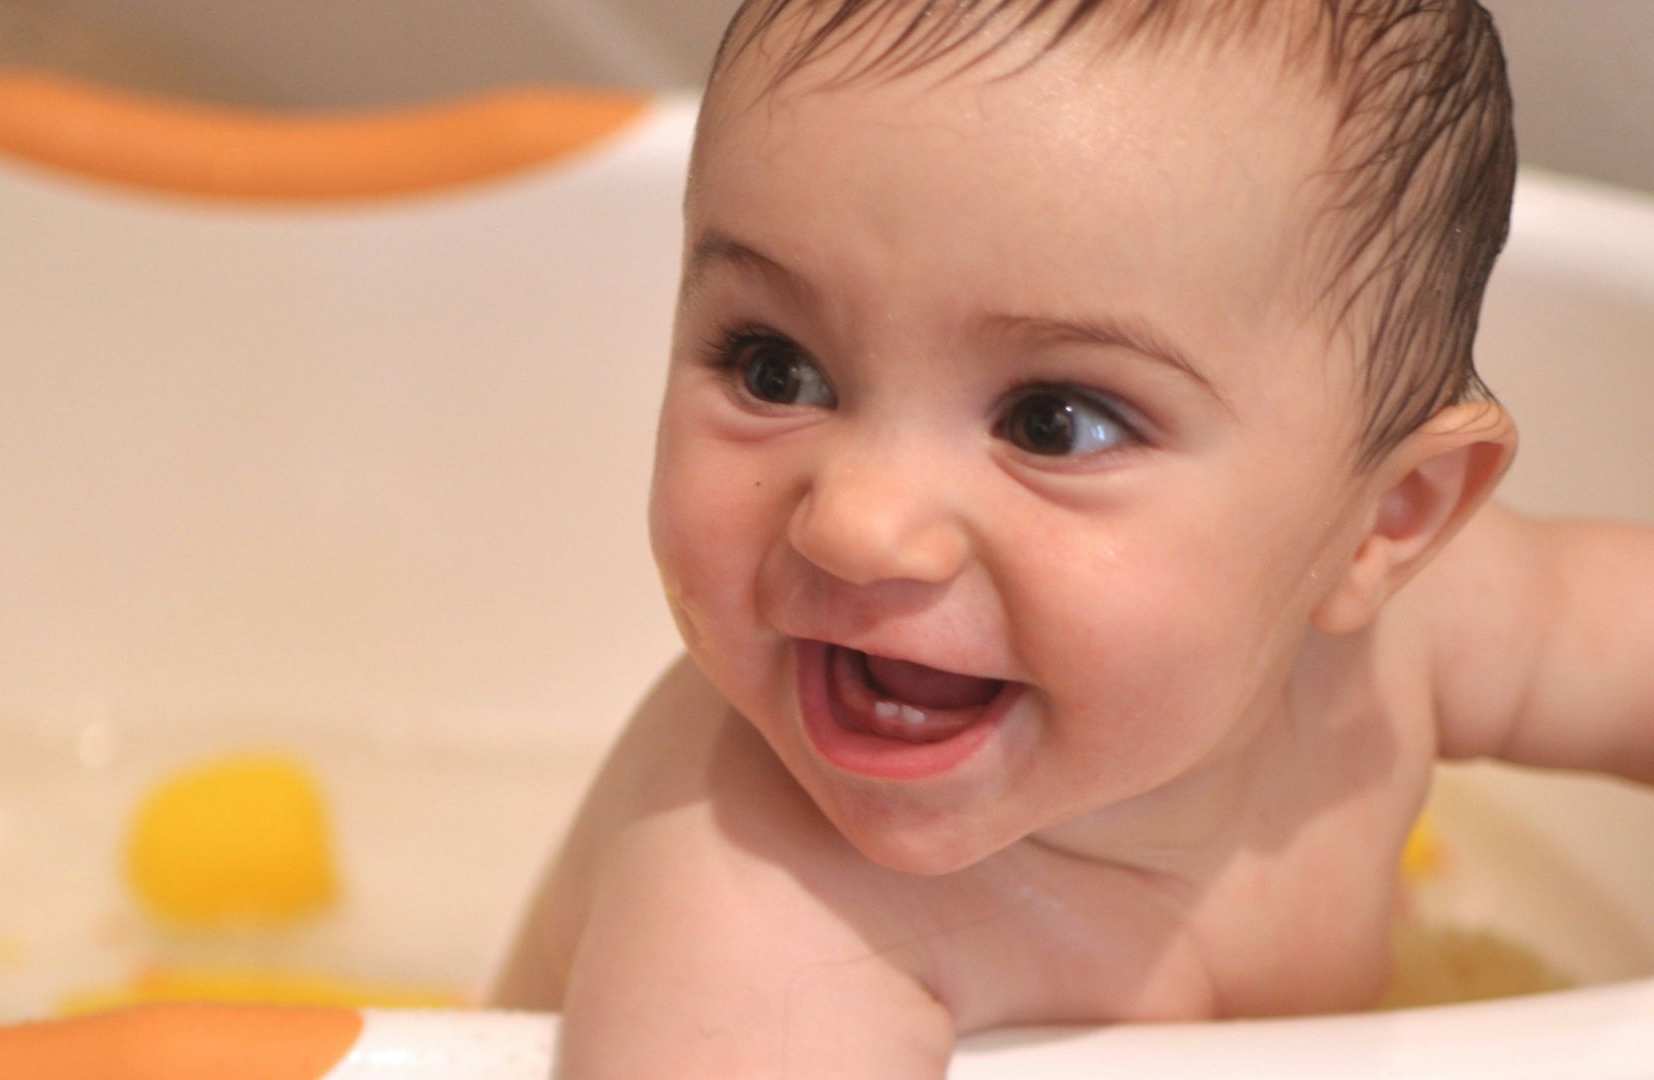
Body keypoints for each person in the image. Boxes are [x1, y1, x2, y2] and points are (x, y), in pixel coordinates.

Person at [485, 0, 1654, 1076]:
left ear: (1381, 524)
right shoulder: (759, 915)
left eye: (1054, 422)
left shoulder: (1399, 645)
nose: (855, 522)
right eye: (775, 367)